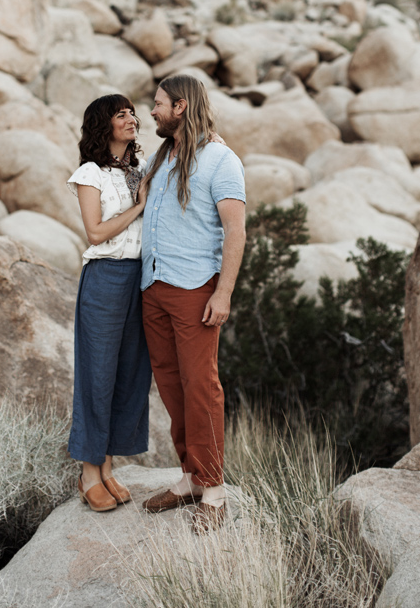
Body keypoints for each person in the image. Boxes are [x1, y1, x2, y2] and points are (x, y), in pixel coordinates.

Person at [138, 74, 246, 532]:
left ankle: (214, 490)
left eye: (159, 104)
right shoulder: (162, 158)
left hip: (195, 290)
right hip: (154, 286)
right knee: (170, 386)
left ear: (180, 107)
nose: (152, 111)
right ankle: (189, 478)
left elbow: (236, 232)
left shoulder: (221, 160)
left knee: (201, 387)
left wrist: (222, 293)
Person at [66, 94, 152, 513]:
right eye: (122, 114)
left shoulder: (139, 170)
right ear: (105, 125)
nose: (132, 118)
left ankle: (108, 465)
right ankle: (88, 472)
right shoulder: (89, 173)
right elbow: (95, 233)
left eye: (133, 112)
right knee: (97, 374)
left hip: (139, 281)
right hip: (105, 280)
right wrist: (139, 207)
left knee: (129, 373)